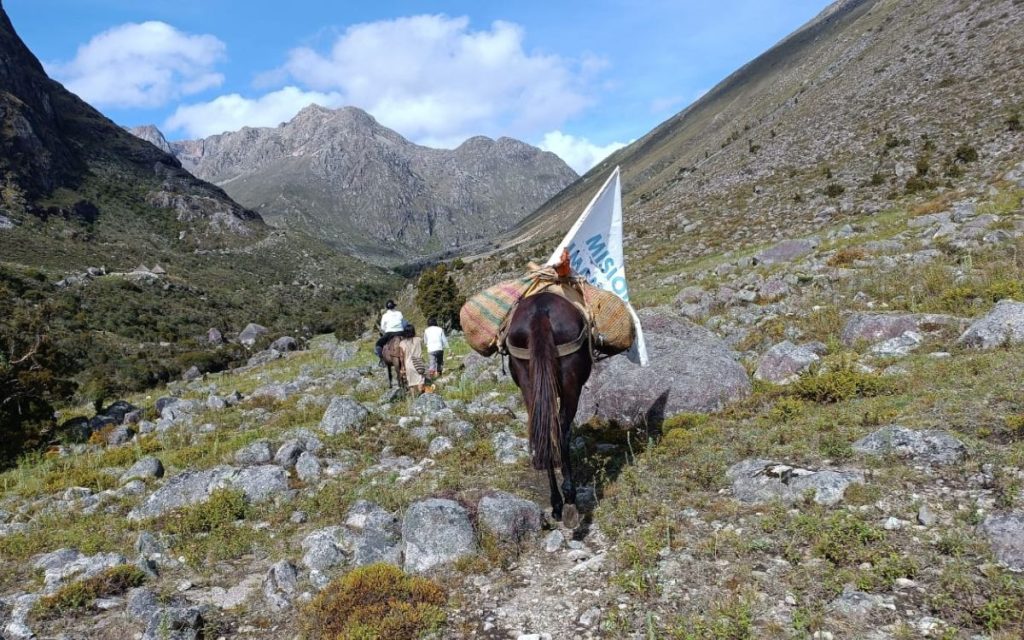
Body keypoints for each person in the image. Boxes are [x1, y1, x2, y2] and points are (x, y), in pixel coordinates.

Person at [375, 300, 406, 365]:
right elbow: (403, 323)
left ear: (387, 308)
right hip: (401, 332)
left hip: (389, 333)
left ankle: (382, 360)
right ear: (394, 306)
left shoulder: (385, 315)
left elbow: (383, 327)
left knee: (378, 345)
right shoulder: (399, 313)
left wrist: (386, 330)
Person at [399, 324, 427, 394]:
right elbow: (423, 349)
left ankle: (413, 399)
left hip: (409, 365)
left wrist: (402, 367)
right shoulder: (419, 339)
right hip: (419, 363)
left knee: (411, 383)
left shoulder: (402, 343)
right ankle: (421, 394)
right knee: (420, 380)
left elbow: (401, 356)